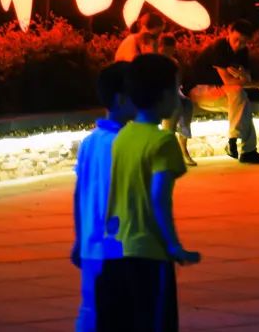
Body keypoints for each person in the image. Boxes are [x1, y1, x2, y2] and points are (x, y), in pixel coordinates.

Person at [95, 54, 201, 332]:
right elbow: (159, 198)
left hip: (115, 249)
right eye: (177, 89)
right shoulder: (163, 142)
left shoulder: (122, 137)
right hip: (150, 253)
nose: (179, 97)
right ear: (164, 95)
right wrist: (173, 245)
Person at [71, 62, 136, 332]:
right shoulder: (123, 145)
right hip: (116, 250)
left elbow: (79, 193)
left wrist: (79, 238)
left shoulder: (90, 141)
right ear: (121, 99)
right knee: (117, 315)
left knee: (91, 310)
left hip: (91, 245)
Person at [187, 19, 259, 164]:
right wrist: (258, 85)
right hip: (199, 90)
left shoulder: (243, 52)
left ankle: (245, 150)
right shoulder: (220, 48)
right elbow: (229, 81)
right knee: (239, 94)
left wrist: (244, 76)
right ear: (229, 32)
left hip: (220, 92)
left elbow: (245, 77)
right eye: (236, 40)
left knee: (242, 105)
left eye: (244, 42)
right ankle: (238, 143)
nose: (239, 45)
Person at [158, 34, 197, 166]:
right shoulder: (154, 62)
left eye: (171, 50)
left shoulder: (174, 62)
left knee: (187, 105)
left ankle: (183, 149)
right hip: (159, 95)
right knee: (175, 107)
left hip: (174, 93)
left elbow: (177, 83)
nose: (168, 53)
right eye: (166, 50)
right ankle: (168, 152)